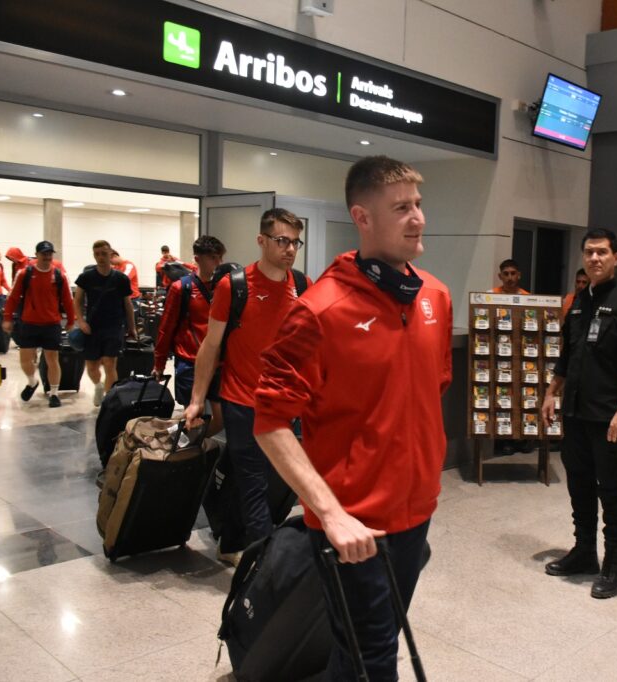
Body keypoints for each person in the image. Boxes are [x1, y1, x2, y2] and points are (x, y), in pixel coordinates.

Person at [246, 156, 451, 681]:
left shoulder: (435, 297)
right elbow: (269, 423)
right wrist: (331, 513)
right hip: (353, 524)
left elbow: (428, 394)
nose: (418, 219)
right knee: (374, 658)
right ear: (362, 217)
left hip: (416, 510)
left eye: (419, 205)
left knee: (365, 647)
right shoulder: (319, 310)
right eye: (401, 208)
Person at [183, 209, 311, 563]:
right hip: (243, 401)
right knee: (254, 480)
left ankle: (230, 541)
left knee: (274, 480)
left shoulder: (302, 285)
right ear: (261, 240)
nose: (289, 249)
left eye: (295, 242)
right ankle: (265, 567)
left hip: (286, 403)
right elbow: (210, 346)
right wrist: (197, 401)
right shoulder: (234, 286)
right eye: (281, 240)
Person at [541, 227, 617, 599]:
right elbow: (567, 353)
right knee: (579, 486)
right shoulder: (577, 301)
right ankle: (585, 552)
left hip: (610, 419)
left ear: (616, 258)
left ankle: (613, 566)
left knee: (612, 491)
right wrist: (551, 392)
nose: (594, 259)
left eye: (602, 252)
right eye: (589, 252)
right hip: (576, 415)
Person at [153, 235, 226, 435]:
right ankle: (185, 453)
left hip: (218, 363)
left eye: (219, 257)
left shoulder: (225, 287)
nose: (217, 262)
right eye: (212, 257)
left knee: (220, 420)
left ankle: (184, 444)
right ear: (198, 258)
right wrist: (159, 363)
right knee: (192, 418)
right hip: (189, 360)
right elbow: (166, 327)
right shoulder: (181, 288)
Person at [1, 241, 76, 408]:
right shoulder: (24, 274)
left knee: (52, 359)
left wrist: (71, 320)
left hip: (51, 324)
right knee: (25, 359)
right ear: (37, 254)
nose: (47, 257)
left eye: (50, 254)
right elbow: (13, 297)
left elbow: (67, 300)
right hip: (29, 322)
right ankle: (32, 381)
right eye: (44, 254)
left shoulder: (59, 276)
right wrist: (7, 318)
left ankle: (54, 393)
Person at [74, 240, 135, 407]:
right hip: (92, 327)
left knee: (110, 363)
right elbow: (77, 300)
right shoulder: (86, 277)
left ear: (111, 254)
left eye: (104, 254)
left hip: (114, 326)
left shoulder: (121, 279)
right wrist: (80, 321)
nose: (100, 257)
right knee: (91, 366)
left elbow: (127, 304)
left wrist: (132, 327)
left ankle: (109, 401)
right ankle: (98, 386)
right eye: (97, 254)